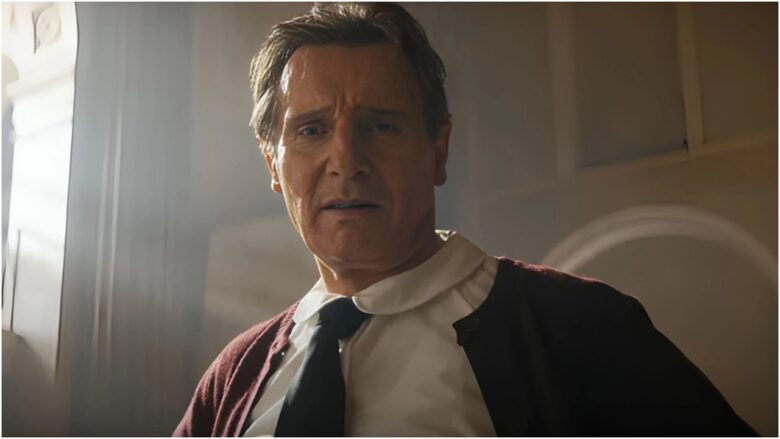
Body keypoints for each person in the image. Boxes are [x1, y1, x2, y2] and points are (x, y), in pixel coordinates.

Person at [174, 3, 756, 436]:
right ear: (272, 165)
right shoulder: (233, 378)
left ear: (439, 150)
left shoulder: (581, 327)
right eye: (311, 130)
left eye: (382, 125)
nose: (346, 161)